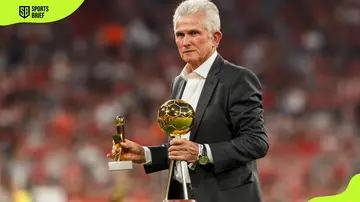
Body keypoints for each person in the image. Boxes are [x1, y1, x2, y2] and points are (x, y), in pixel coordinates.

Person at [107, 0, 269, 201]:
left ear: (215, 38)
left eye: (194, 33)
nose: (186, 42)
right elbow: (182, 148)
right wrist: (144, 154)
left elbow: (256, 142)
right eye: (180, 34)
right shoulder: (179, 83)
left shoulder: (238, 79)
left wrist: (202, 152)